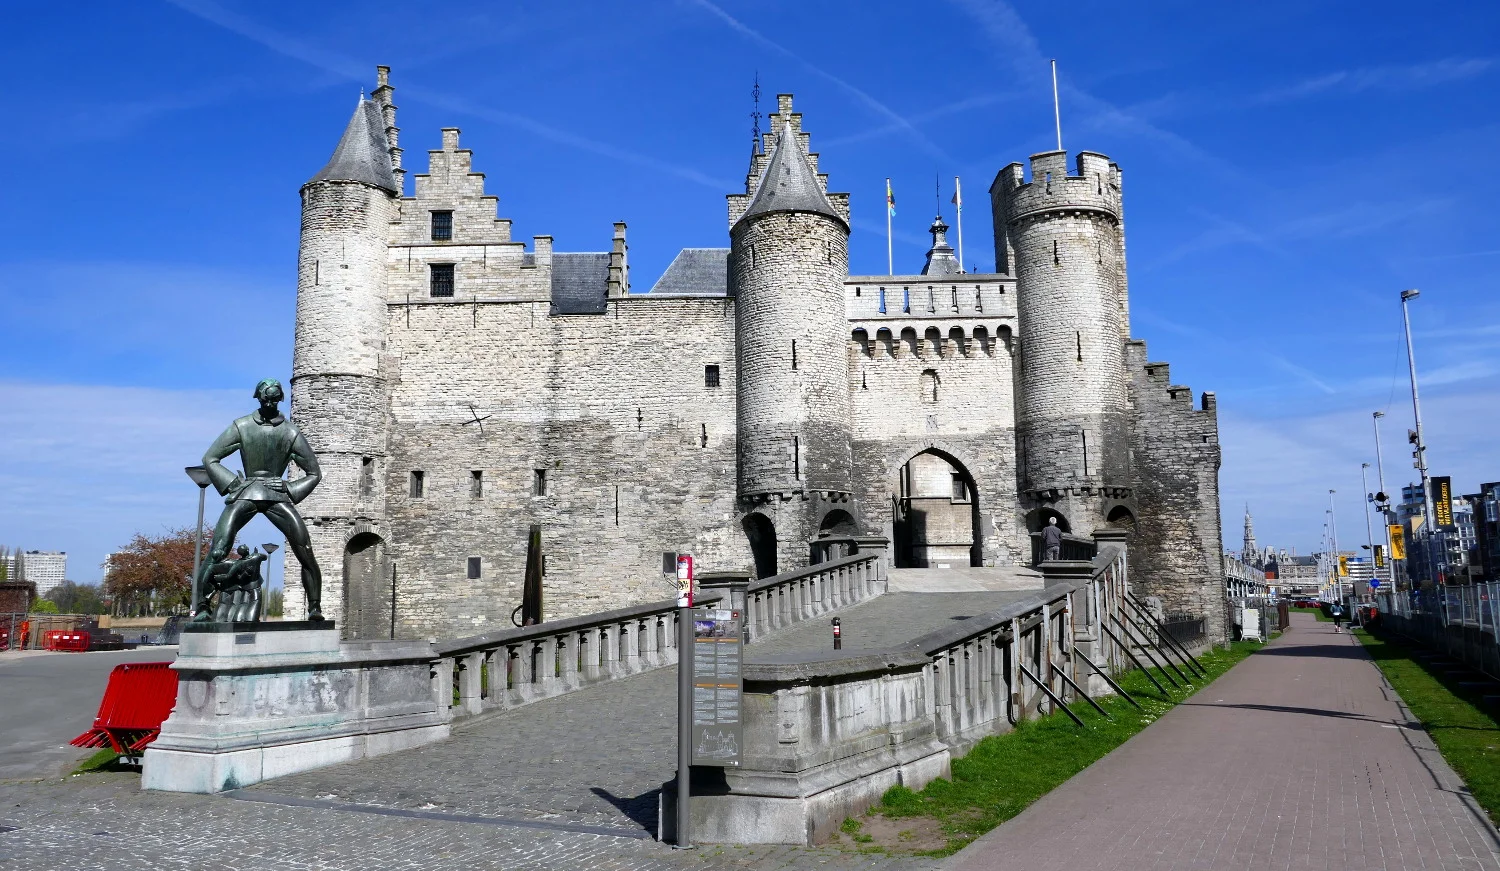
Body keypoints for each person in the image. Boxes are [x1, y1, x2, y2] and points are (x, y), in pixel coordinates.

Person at [191, 379, 325, 622]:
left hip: (276, 495)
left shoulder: (290, 432)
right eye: (266, 399)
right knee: (218, 549)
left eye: (274, 399)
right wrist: (233, 484)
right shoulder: (242, 426)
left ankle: (315, 607)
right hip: (246, 492)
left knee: (305, 549)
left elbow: (314, 473)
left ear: (280, 399)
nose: (270, 403)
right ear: (258, 398)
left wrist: (288, 487)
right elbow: (210, 458)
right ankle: (202, 606)